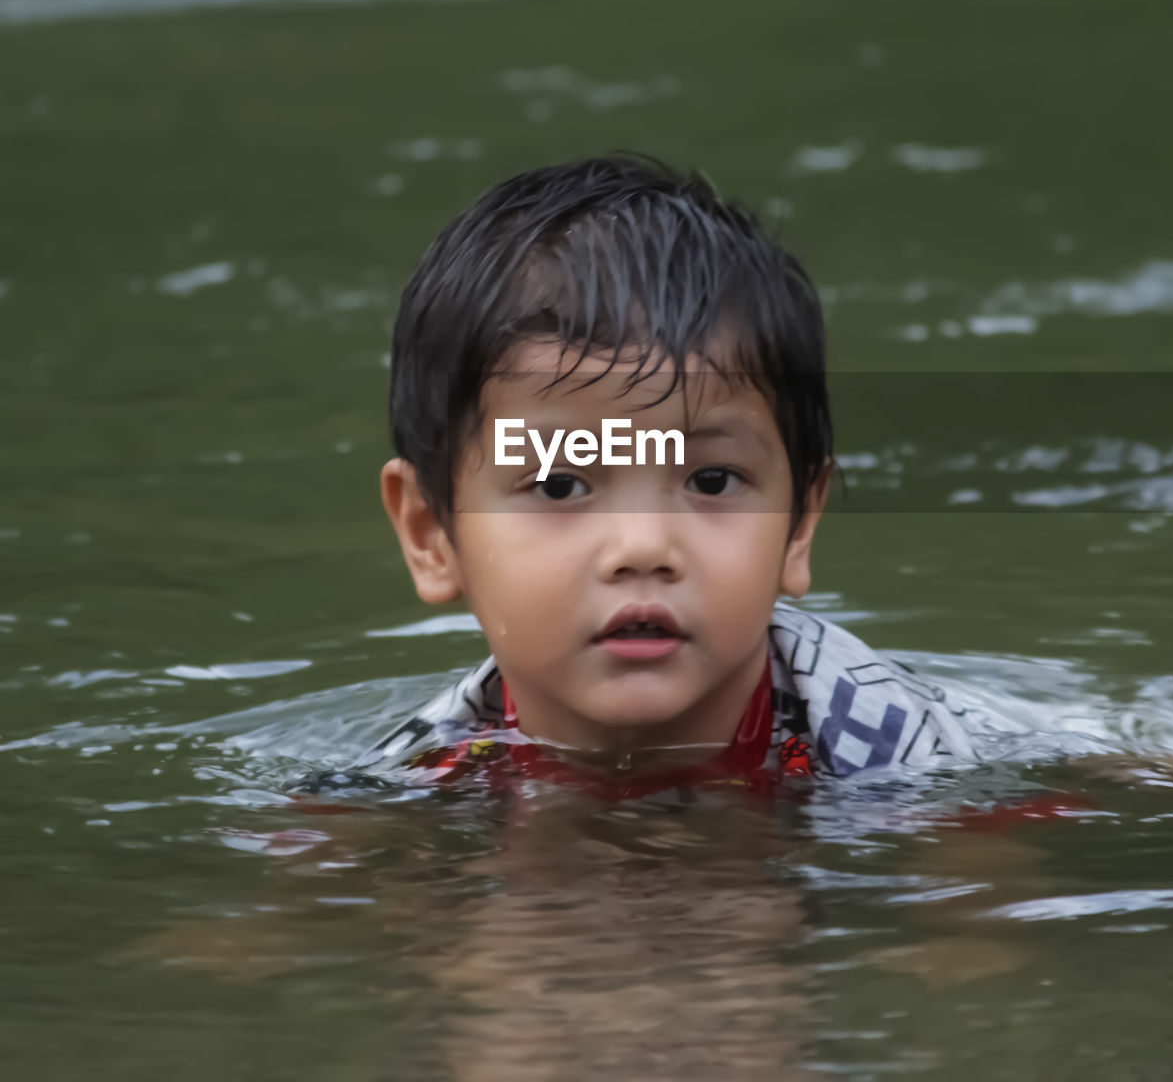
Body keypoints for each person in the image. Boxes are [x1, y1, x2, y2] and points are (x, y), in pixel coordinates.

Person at [299, 155, 976, 800]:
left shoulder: (911, 769)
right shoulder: (416, 775)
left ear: (799, 524)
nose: (643, 547)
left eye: (712, 481)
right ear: (431, 535)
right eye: (560, 485)